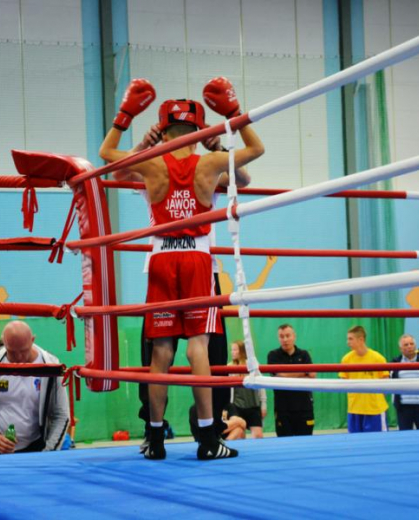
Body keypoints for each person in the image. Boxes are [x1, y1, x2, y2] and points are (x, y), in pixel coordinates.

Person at [99, 76, 264, 460]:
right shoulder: (209, 163)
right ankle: (208, 440)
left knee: (161, 353)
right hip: (196, 260)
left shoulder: (150, 162)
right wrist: (232, 116)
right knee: (198, 349)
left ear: (163, 128)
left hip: (160, 257)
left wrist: (129, 120)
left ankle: (155, 440)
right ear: (198, 128)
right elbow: (256, 150)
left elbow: (107, 154)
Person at [0, 321, 69, 454]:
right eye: (12, 352)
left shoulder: (51, 366)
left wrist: (49, 453)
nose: (19, 358)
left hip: (35, 448)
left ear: (32, 340)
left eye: (23, 351)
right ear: (4, 342)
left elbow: (61, 415)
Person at [339, 326, 390, 433]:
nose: (347, 342)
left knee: (378, 443)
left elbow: (386, 384)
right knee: (356, 445)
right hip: (354, 410)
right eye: (347, 339)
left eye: (350, 339)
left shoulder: (378, 358)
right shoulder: (346, 359)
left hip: (375, 410)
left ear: (361, 339)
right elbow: (343, 384)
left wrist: (374, 400)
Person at [267, 325, 315, 437]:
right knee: (284, 445)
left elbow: (312, 375)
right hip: (283, 410)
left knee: (306, 444)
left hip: (304, 409)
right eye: (281, 336)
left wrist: (285, 376)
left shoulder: (304, 354)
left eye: (288, 336)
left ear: (294, 337)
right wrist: (303, 372)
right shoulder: (273, 355)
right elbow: (279, 376)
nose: (285, 339)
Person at [390, 335, 419, 430]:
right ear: (400, 348)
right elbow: (391, 384)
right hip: (403, 408)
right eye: (406, 344)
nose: (409, 346)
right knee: (405, 438)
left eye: (411, 344)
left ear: (415, 346)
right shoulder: (395, 363)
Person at [230, 341, 267, 438]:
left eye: (235, 349)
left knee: (258, 435)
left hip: (253, 406)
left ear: (242, 351)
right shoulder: (230, 367)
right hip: (237, 406)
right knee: (239, 435)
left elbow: (261, 384)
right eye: (231, 350)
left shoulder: (252, 365)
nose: (232, 352)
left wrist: (263, 404)